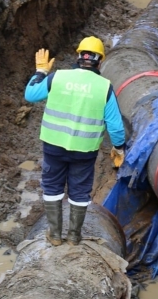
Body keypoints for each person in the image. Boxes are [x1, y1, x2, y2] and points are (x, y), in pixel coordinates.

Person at [24, 37, 126, 246]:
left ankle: (54, 235)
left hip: (53, 147)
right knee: (79, 191)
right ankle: (73, 236)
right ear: (100, 62)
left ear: (79, 56)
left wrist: (40, 72)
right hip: (84, 152)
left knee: (52, 187)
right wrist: (119, 148)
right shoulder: (104, 87)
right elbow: (115, 126)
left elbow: (31, 95)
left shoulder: (58, 77)